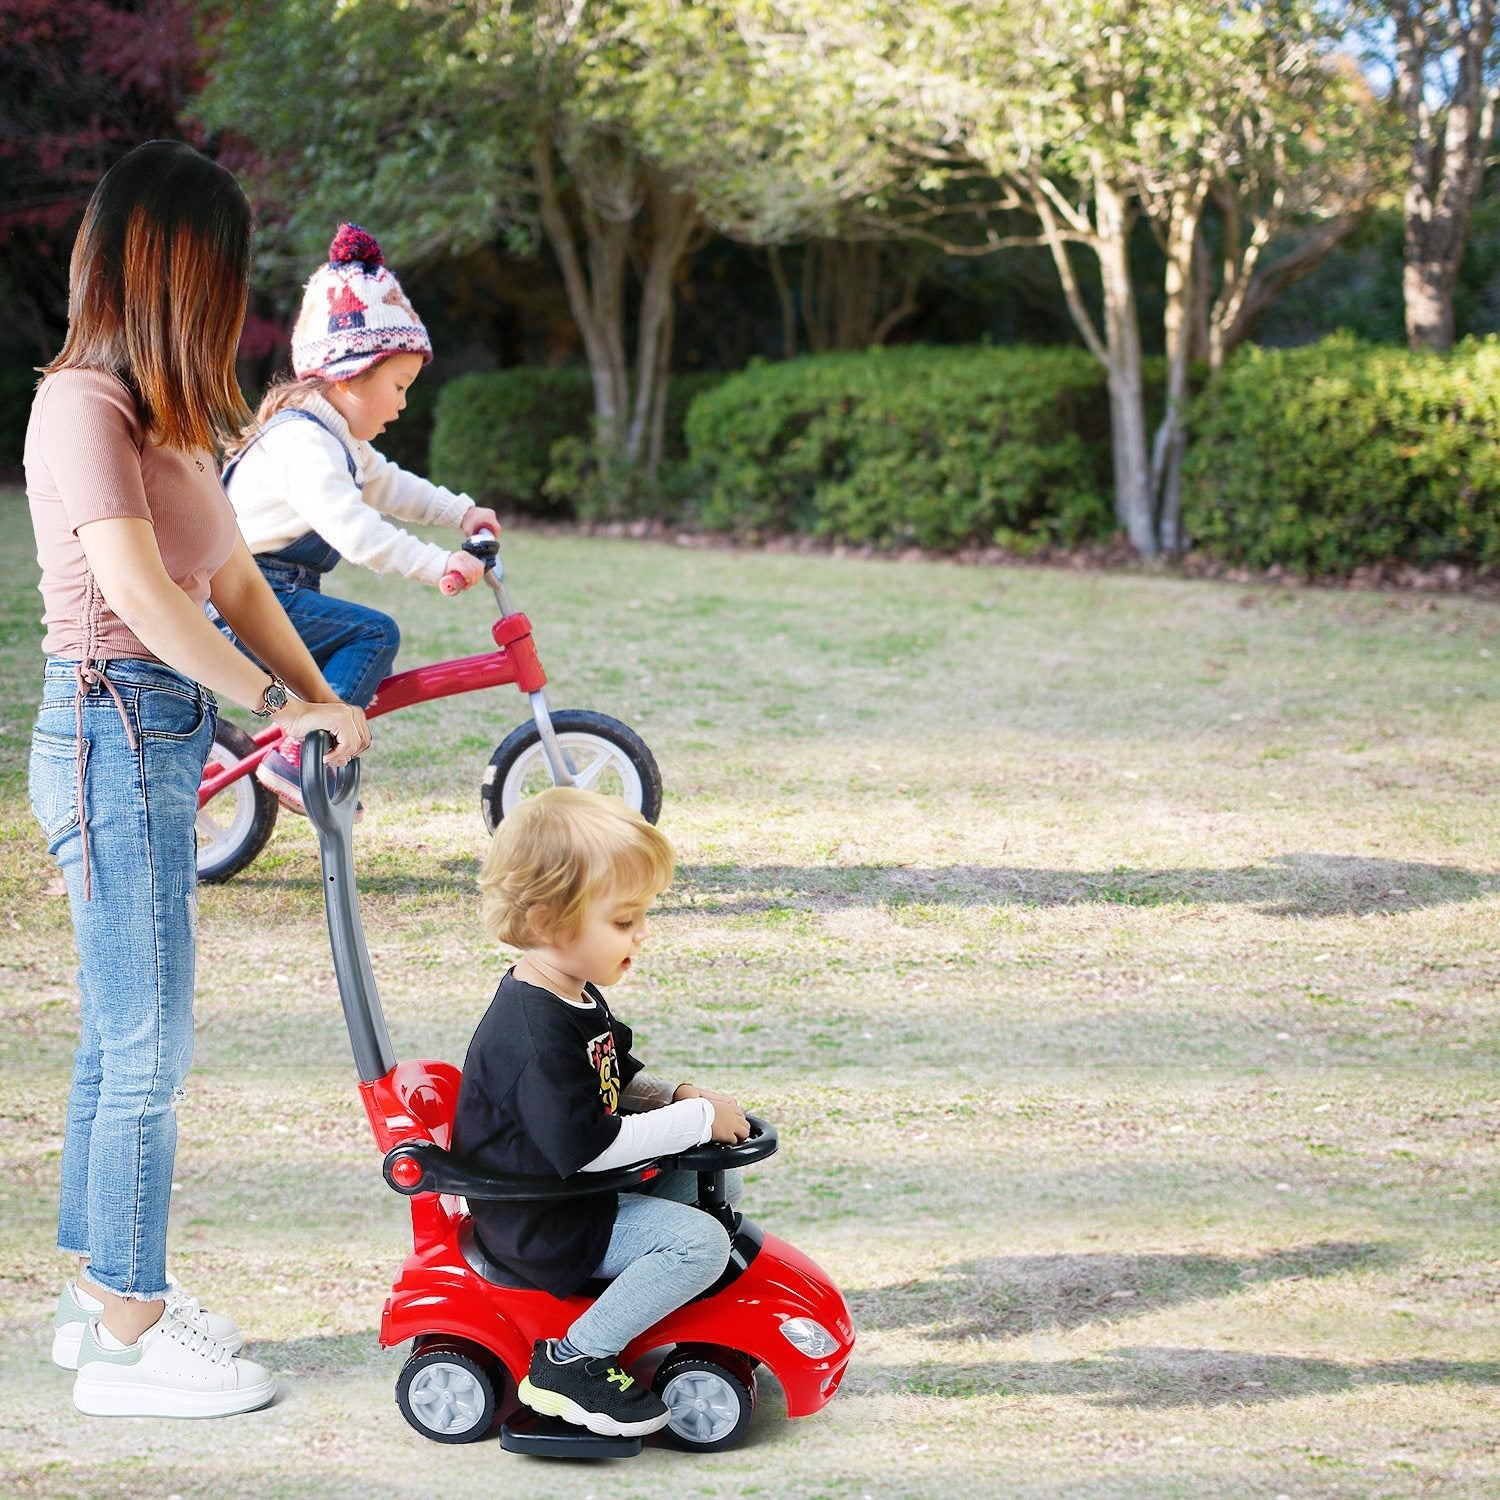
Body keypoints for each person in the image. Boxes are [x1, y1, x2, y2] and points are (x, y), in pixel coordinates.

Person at [25, 140, 371, 1419]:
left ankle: (99, 1300)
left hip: (156, 737)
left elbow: (235, 586)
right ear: (176, 270)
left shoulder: (168, 418)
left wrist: (320, 700)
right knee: (146, 1044)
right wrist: (276, 709)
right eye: (225, 270)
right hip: (108, 728)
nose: (239, 298)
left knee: (122, 1036)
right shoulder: (82, 407)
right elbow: (137, 594)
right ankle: (129, 1333)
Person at [451, 789, 751, 1439]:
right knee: (698, 1241)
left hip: (574, 1197)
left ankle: (669, 1302)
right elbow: (588, 1146)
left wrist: (679, 1095)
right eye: (622, 920)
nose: (641, 933)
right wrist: (696, 1121)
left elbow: (618, 1074)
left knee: (705, 1178)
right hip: (543, 1221)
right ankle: (574, 1360)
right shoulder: (532, 1034)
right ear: (548, 921)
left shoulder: (573, 994)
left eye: (641, 915)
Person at [220, 222, 499, 814]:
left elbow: (390, 485)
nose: (403, 402)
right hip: (244, 599)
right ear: (350, 374)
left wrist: (460, 511)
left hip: (271, 594)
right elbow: (356, 533)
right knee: (372, 634)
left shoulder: (336, 435)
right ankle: (305, 756)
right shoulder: (304, 443)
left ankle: (308, 746)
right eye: (398, 385)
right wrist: (437, 564)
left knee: (352, 644)